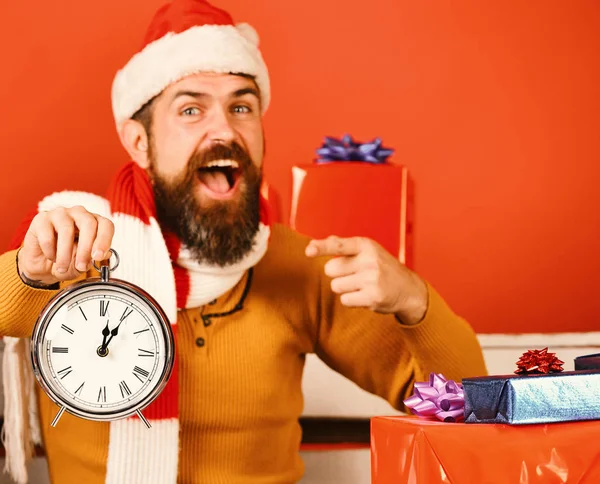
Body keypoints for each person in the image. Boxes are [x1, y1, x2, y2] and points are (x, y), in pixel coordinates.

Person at [0, 0, 487, 483]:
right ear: (138, 142)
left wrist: (412, 299)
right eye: (191, 109)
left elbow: (465, 399)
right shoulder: (74, 248)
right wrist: (27, 272)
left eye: (241, 107)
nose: (224, 130)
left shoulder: (300, 265)